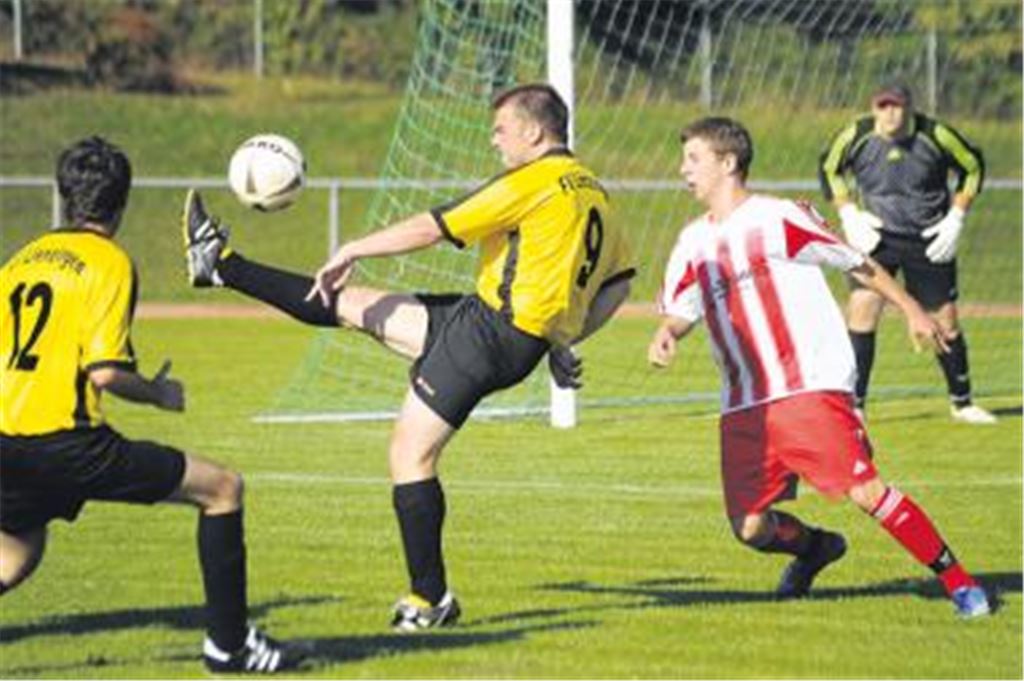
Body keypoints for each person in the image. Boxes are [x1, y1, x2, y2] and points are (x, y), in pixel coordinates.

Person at [181, 83, 635, 630]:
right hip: (495, 326)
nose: (495, 141)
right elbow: (617, 285)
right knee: (350, 305)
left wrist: (352, 247)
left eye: (501, 129)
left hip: (490, 333)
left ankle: (429, 599)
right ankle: (218, 263)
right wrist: (563, 337)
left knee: (409, 456)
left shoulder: (531, 180)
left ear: (534, 131)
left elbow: (432, 227)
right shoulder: (596, 192)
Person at [648, 117, 990, 618]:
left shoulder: (778, 216)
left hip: (806, 384)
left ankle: (959, 582)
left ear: (728, 163)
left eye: (693, 159)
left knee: (865, 490)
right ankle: (816, 549)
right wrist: (666, 333)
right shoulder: (690, 242)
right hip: (744, 402)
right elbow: (682, 309)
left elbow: (855, 261)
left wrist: (911, 307)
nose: (683, 170)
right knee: (749, 528)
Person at [0, 137, 300, 673]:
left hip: (5, 442)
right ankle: (230, 647)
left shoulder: (20, 262)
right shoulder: (109, 262)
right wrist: (159, 393)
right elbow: (107, 373)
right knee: (223, 489)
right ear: (121, 203)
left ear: (64, 196)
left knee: (17, 552)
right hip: (68, 443)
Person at [818, 82, 995, 424]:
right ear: (873, 108)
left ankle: (962, 402)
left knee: (944, 320)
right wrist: (848, 213)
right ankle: (855, 404)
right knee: (861, 311)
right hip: (875, 239)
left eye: (896, 106)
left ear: (910, 108)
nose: (890, 114)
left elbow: (973, 167)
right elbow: (829, 167)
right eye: (883, 106)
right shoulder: (857, 134)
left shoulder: (936, 134)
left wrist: (956, 216)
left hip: (929, 238)